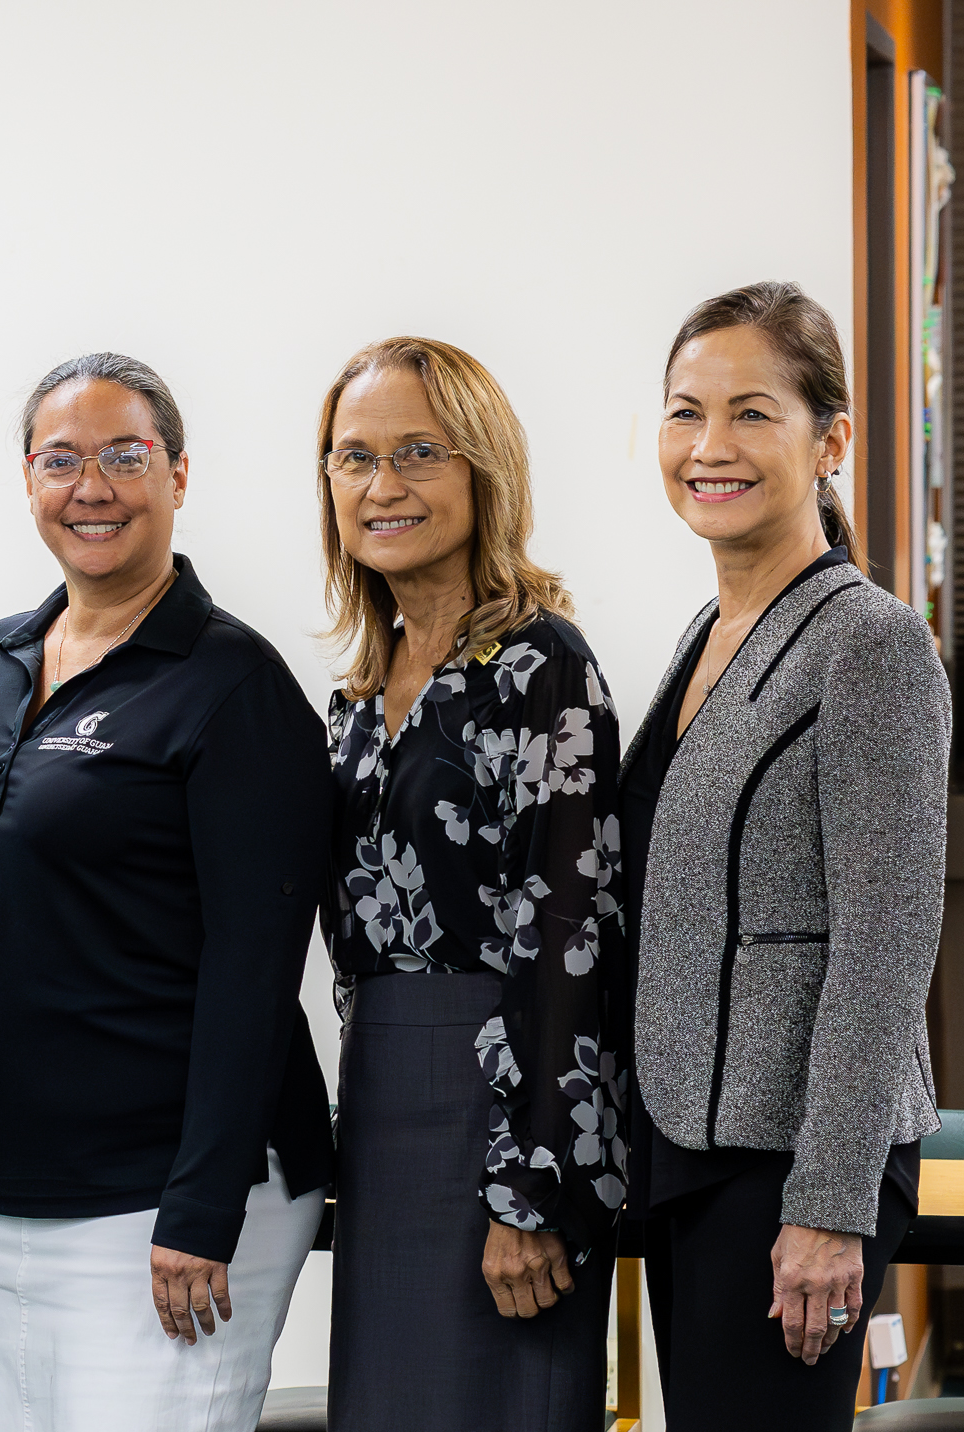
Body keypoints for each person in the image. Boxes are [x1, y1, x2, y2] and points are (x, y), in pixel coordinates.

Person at [0, 353, 336, 1432]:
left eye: (124, 456)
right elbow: (13, 927)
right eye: (60, 459)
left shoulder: (228, 685)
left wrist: (199, 1210)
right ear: (26, 479)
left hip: (172, 1200)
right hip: (18, 1190)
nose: (90, 485)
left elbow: (253, 967)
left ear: (178, 476)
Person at [621, 282, 946, 1430]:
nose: (708, 446)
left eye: (751, 412)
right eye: (682, 413)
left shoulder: (871, 642)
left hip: (790, 1159)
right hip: (691, 1145)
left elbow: (884, 946)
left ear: (831, 440)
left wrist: (825, 1203)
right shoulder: (705, 634)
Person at [310, 337, 622, 1428]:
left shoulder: (541, 665)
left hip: (501, 1119)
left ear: (481, 469)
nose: (379, 485)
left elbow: (567, 931)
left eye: (414, 453)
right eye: (351, 458)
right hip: (381, 1105)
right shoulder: (353, 695)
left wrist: (528, 1186)